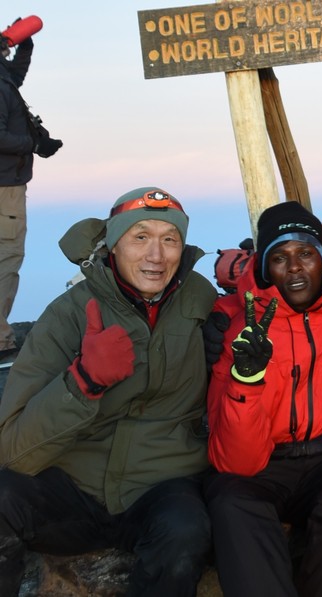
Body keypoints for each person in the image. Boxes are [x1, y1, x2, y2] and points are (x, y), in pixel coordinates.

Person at [0, 187, 216, 595]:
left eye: (170, 239)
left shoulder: (200, 302)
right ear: (112, 244)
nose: (156, 255)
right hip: (73, 486)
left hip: (162, 484)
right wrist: (82, 382)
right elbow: (13, 449)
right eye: (140, 237)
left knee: (185, 533)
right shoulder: (69, 314)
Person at [204, 200, 322, 597]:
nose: (295, 267)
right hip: (262, 462)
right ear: (264, 269)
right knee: (231, 500)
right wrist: (246, 379)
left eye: (306, 253)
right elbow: (237, 462)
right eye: (279, 258)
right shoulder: (235, 323)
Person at [0, 18, 61, 360]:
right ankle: (1, 342)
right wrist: (34, 144)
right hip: (4, 186)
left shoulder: (3, 78)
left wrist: (25, 42)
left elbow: (15, 76)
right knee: (6, 257)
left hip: (7, 182)